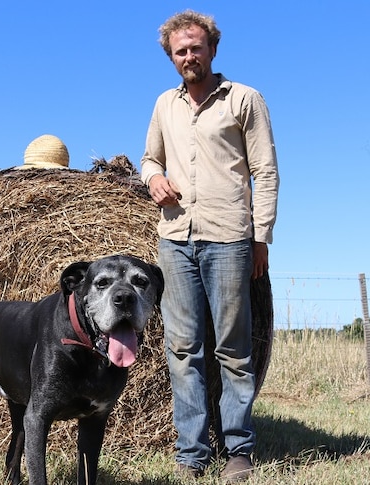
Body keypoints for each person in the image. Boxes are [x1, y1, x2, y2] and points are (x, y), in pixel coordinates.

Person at [139, 10, 279, 483]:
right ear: (171, 57)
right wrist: (154, 177)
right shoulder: (164, 104)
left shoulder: (244, 99)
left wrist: (261, 237)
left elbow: (266, 171)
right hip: (175, 238)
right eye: (180, 51)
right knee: (182, 348)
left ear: (213, 49)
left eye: (196, 47)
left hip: (229, 236)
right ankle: (192, 452)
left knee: (234, 349)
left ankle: (239, 448)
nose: (189, 56)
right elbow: (149, 158)